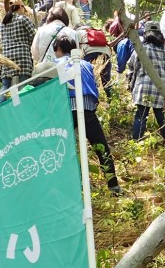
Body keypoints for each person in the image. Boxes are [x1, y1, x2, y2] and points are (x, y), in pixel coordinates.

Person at [49, 36, 121, 194]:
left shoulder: (54, 65)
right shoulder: (86, 64)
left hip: (65, 110)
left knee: (62, 149)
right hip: (87, 109)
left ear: (59, 50)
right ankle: (113, 185)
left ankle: (68, 187)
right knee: (101, 147)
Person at [127, 22, 165, 142]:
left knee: (141, 116)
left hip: (144, 86)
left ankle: (137, 141)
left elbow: (132, 64)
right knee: (162, 117)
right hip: (162, 86)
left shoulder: (142, 48)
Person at [0, 0, 36, 101]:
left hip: (6, 57)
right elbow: (34, 37)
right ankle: (23, 106)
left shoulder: (3, 23)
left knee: (5, 85)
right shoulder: (23, 19)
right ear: (21, 7)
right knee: (23, 85)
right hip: (22, 55)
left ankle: (0, 106)